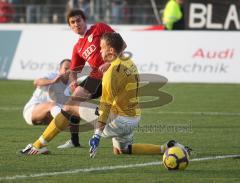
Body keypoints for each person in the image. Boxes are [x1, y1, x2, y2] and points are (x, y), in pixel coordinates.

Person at [20, 9, 119, 155]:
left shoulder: (99, 28)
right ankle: (40, 144)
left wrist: (111, 63)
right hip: (96, 77)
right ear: (70, 26)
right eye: (72, 22)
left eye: (79, 20)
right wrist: (73, 82)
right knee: (69, 106)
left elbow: (121, 45)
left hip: (114, 74)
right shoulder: (78, 47)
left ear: (85, 21)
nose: (76, 24)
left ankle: (104, 120)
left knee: (120, 149)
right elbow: (73, 71)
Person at [88, 32, 191, 158]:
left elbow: (105, 106)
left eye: (101, 47)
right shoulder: (128, 61)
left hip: (120, 121)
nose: (99, 51)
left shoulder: (110, 74)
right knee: (121, 150)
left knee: (73, 106)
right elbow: (121, 50)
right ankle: (166, 147)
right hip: (134, 118)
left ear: (110, 50)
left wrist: (96, 135)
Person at [23, 59, 71, 126]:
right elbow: (36, 82)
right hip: (31, 111)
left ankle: (73, 134)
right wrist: (52, 81)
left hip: (49, 114)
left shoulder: (71, 83)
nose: (68, 71)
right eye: (66, 68)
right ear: (60, 69)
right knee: (53, 105)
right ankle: (65, 120)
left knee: (72, 112)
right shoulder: (52, 75)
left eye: (70, 69)